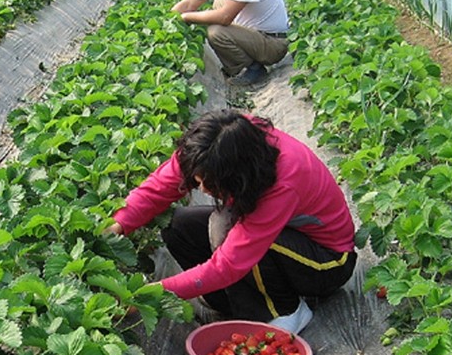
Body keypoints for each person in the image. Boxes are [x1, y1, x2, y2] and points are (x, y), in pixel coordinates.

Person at [106, 109, 357, 334]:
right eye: (198, 180)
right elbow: (162, 185)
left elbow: (228, 265)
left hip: (326, 261)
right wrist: (116, 228)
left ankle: (286, 311)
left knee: (223, 227)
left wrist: (148, 295)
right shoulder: (216, 143)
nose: (201, 188)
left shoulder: (283, 180)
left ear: (238, 177)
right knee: (178, 225)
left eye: (208, 183)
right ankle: (231, 303)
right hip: (284, 238)